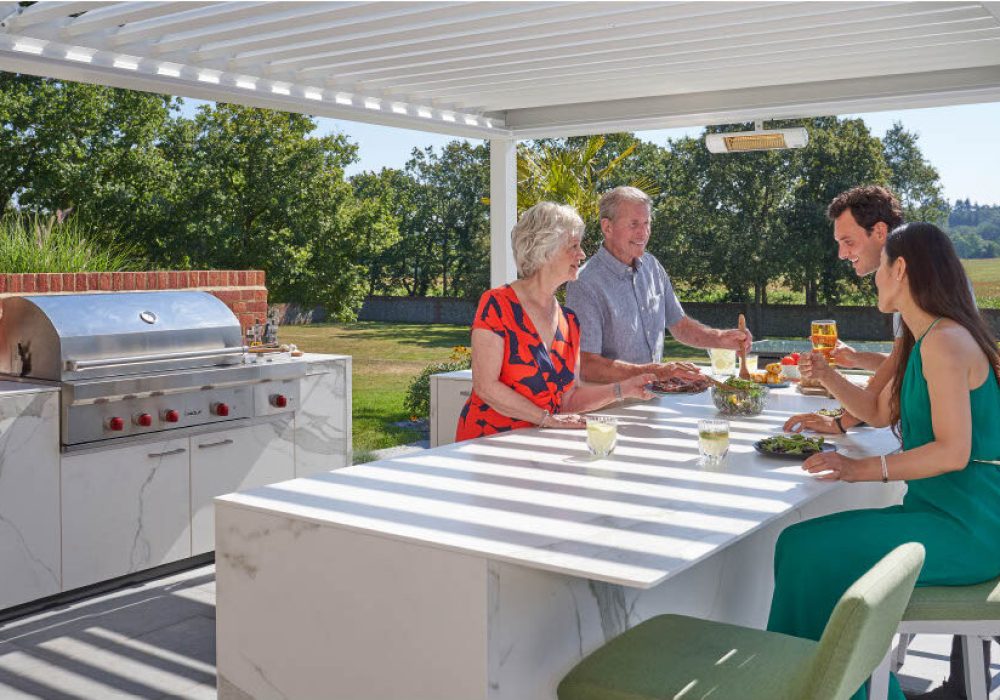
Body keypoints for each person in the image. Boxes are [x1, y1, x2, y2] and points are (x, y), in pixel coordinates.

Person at [767, 222, 1000, 700]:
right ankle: (823, 688)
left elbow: (953, 453)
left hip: (969, 528)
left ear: (901, 268)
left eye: (881, 269)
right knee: (796, 546)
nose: (873, 278)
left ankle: (825, 690)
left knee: (810, 554)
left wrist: (859, 469)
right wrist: (827, 374)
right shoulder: (923, 338)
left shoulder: (944, 341)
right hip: (937, 515)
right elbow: (876, 410)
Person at [456, 202, 656, 442]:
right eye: (573, 246)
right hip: (487, 444)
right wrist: (546, 419)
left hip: (541, 446)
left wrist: (623, 389)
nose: (581, 254)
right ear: (545, 249)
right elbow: (486, 387)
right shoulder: (497, 304)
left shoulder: (570, 321)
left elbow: (568, 400)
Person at [565, 186, 750, 384]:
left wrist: (720, 338)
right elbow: (587, 366)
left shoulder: (652, 266)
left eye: (647, 223)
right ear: (607, 227)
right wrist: (655, 371)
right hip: (610, 408)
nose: (643, 233)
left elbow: (680, 326)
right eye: (634, 224)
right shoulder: (584, 283)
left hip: (654, 397)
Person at [784, 185, 903, 435]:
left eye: (848, 242)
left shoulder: (913, 285)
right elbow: (902, 363)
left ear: (880, 231)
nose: (841, 254)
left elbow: (880, 403)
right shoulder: (911, 276)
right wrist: (855, 358)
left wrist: (840, 420)